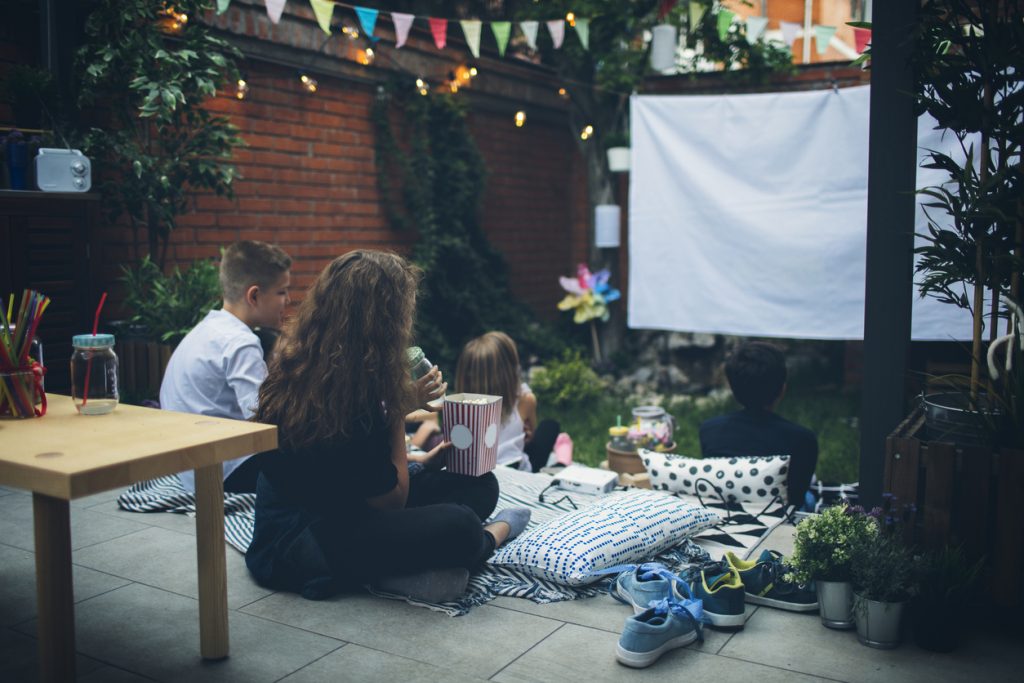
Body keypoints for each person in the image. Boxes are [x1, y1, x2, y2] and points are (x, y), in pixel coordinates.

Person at [245, 250, 530, 602]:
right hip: (301, 542)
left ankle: (403, 565)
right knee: (461, 526)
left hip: (345, 508)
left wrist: (420, 462)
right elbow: (392, 502)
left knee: (480, 483)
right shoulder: (341, 388)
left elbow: (348, 472)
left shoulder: (322, 361)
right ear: (382, 320)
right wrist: (397, 408)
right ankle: (492, 537)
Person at [159, 240, 292, 494]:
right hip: (223, 473)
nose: (288, 299)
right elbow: (264, 419)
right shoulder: (241, 342)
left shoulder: (208, 328)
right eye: (282, 291)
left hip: (187, 467)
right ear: (254, 295)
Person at [699, 341, 818, 507]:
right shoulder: (802, 439)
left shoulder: (709, 430)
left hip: (729, 510)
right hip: (780, 519)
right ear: (782, 389)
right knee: (810, 497)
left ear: (733, 389)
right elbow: (796, 500)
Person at [455, 331, 560, 473]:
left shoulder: (460, 408)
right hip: (515, 470)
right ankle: (562, 459)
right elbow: (532, 437)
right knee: (550, 426)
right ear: (510, 370)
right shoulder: (525, 399)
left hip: (475, 471)